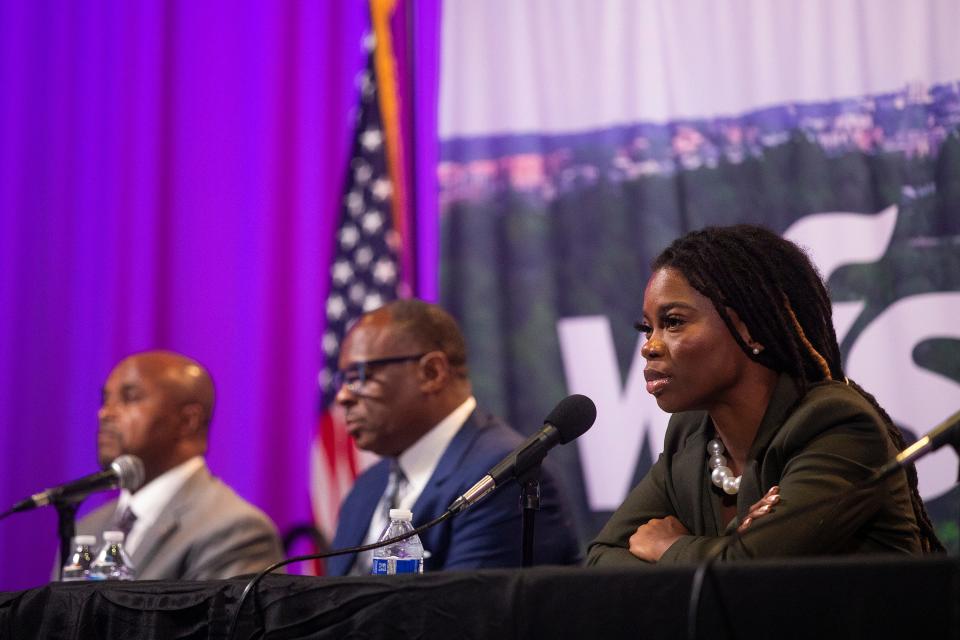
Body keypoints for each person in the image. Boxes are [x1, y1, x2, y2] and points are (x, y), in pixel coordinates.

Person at [587, 224, 943, 566]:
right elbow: (602, 559)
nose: (649, 347)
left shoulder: (836, 427)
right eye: (647, 328)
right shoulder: (691, 433)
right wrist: (725, 550)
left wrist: (668, 547)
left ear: (750, 329)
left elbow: (751, 575)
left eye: (674, 322)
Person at [327, 299, 582, 575]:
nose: (342, 396)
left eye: (360, 376)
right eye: (343, 380)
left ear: (432, 373)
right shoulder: (368, 487)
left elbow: (467, 612)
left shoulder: (502, 476)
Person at [74, 350, 285, 580]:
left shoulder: (237, 531)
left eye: (130, 398)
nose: (104, 413)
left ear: (188, 421)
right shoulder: (86, 529)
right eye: (105, 400)